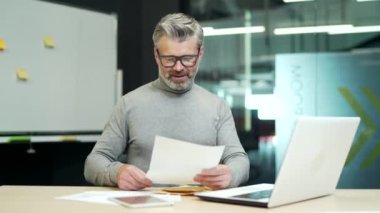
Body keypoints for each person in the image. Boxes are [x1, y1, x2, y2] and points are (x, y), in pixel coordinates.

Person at [84, 13, 249, 191]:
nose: (178, 68)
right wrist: (117, 172)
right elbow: (93, 162)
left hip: (201, 207)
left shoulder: (218, 107)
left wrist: (231, 173)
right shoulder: (129, 103)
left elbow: (239, 160)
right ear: (156, 55)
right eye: (169, 59)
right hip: (145, 207)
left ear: (200, 53)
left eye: (187, 59)